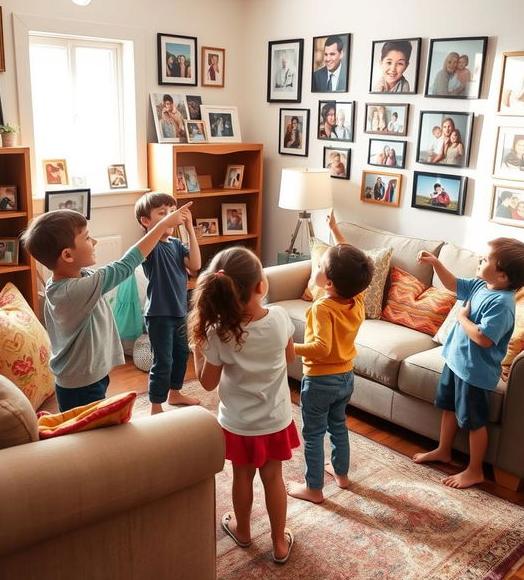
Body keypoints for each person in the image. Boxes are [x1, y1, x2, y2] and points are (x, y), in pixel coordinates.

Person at [21, 202, 191, 412]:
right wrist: (162, 225)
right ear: (67, 255)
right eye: (87, 238)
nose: (95, 241)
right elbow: (126, 265)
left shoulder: (78, 278)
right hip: (81, 385)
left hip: (88, 377)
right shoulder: (74, 291)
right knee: (89, 436)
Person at [189, 247, 298, 564]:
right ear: (261, 286)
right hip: (275, 419)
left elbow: (207, 383)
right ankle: (279, 542)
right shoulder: (279, 318)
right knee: (274, 478)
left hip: (239, 424)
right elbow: (289, 358)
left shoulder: (217, 334)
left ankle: (244, 529)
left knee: (242, 477)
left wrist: (199, 347)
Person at [413, 239, 524, 488]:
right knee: (448, 407)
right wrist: (436, 263)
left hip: (474, 373)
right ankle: (443, 450)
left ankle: (475, 470)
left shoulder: (502, 303)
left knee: (473, 422)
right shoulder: (481, 286)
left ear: (502, 276)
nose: (479, 260)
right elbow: (452, 284)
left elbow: (483, 338)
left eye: (485, 259)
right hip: (455, 361)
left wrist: (461, 317)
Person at [287, 210, 374, 504]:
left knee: (313, 433)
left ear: (329, 283)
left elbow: (321, 348)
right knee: (338, 425)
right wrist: (336, 231)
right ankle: (342, 474)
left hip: (321, 380)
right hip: (346, 377)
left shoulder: (322, 308)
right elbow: (353, 262)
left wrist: (291, 348)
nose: (320, 262)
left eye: (322, 264)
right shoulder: (357, 296)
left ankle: (313, 488)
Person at [134, 192, 201, 414]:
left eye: (172, 212)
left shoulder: (176, 244)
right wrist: (163, 225)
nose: (170, 217)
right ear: (146, 221)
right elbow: (147, 246)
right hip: (159, 315)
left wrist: (189, 229)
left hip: (179, 311)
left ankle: (175, 393)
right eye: (162, 213)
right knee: (163, 361)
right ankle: (155, 405)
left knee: (181, 355)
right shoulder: (149, 246)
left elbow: (195, 265)